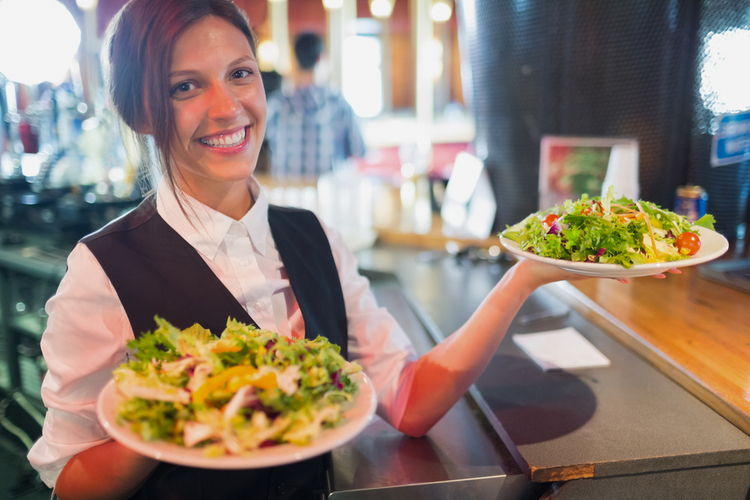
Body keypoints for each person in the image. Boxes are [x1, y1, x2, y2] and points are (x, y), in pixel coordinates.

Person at [26, 1, 674, 499]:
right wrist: (171, 409)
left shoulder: (314, 237)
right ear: (140, 109)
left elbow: (409, 400)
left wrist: (527, 276)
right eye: (184, 87)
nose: (228, 108)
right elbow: (69, 484)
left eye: (240, 74)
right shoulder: (103, 272)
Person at [264, 32, 365, 179]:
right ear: (320, 58)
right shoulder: (339, 104)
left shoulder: (275, 105)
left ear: (294, 60)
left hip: (287, 195)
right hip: (328, 197)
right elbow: (358, 150)